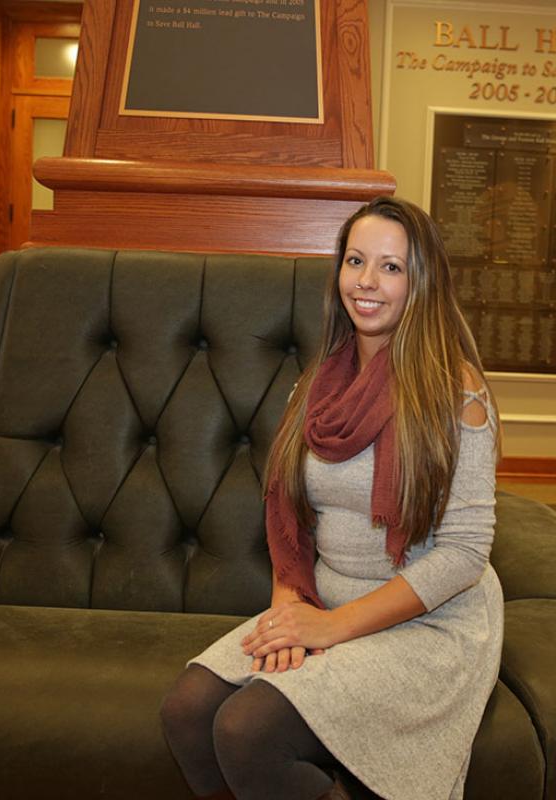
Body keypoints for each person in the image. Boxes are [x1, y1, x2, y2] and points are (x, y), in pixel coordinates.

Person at [159, 196, 503, 800]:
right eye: (355, 260)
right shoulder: (315, 385)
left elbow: (465, 555)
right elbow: (290, 520)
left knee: (248, 730)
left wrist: (329, 629)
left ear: (423, 282)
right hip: (327, 603)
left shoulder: (459, 393)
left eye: (392, 267)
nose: (367, 282)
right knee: (188, 711)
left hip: (427, 622)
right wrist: (291, 617)